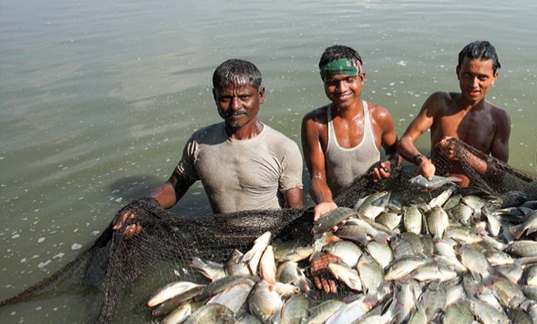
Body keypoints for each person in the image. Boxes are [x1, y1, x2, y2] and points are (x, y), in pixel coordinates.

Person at [113, 59, 304, 238]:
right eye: (226, 98)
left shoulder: (283, 148)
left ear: (260, 95)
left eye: (244, 97)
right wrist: (145, 206)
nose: (235, 105)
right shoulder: (200, 142)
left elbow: (294, 212)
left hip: (268, 240)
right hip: (221, 239)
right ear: (215, 96)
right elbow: (173, 187)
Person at [301, 45, 399, 222]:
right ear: (323, 81)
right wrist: (327, 203)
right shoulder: (314, 123)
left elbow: (395, 153)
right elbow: (317, 176)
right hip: (337, 204)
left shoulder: (379, 117)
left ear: (362, 78)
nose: (341, 88)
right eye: (333, 82)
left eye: (349, 79)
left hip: (374, 203)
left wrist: (387, 166)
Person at [397, 40, 511, 186]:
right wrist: (421, 160)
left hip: (471, 193)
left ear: (494, 77)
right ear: (458, 72)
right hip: (434, 185)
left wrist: (464, 155)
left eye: (482, 77)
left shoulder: (499, 118)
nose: (473, 84)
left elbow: (499, 175)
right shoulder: (440, 102)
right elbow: (404, 142)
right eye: (467, 75)